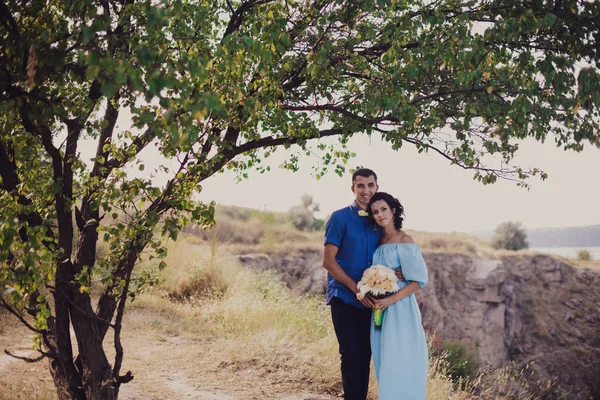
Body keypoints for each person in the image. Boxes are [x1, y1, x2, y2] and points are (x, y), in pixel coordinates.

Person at [323, 169, 403, 400]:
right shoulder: (339, 218)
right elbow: (328, 261)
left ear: (377, 187)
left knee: (366, 356)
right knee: (350, 354)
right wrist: (355, 288)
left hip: (373, 302)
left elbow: (392, 249)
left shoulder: (380, 219)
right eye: (360, 186)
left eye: (370, 185)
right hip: (345, 297)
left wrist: (395, 272)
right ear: (353, 189)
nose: (366, 190)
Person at [367, 192, 429, 400]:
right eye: (375, 212)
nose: (380, 214)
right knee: (383, 360)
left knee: (399, 360)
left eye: (384, 209)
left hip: (400, 308)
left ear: (393, 210)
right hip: (379, 308)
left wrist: (389, 300)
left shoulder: (405, 239)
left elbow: (418, 280)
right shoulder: (377, 240)